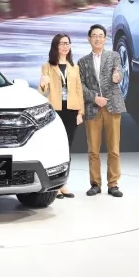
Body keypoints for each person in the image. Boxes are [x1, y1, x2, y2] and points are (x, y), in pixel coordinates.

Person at [77, 24, 126, 198]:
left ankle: (113, 184)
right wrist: (94, 97)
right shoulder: (82, 62)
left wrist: (117, 76)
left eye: (100, 35)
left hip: (112, 106)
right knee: (93, 150)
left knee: (114, 148)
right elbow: (80, 85)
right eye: (94, 35)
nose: (97, 38)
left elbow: (119, 71)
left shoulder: (114, 56)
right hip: (93, 108)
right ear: (89, 39)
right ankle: (95, 184)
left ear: (105, 39)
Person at [38, 33, 84, 199]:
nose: (65, 46)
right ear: (55, 46)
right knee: (54, 147)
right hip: (55, 111)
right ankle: (54, 185)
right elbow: (43, 91)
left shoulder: (74, 67)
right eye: (62, 43)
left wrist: (81, 112)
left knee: (67, 147)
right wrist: (42, 84)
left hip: (71, 111)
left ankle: (63, 184)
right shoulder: (47, 66)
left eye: (67, 43)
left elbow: (79, 91)